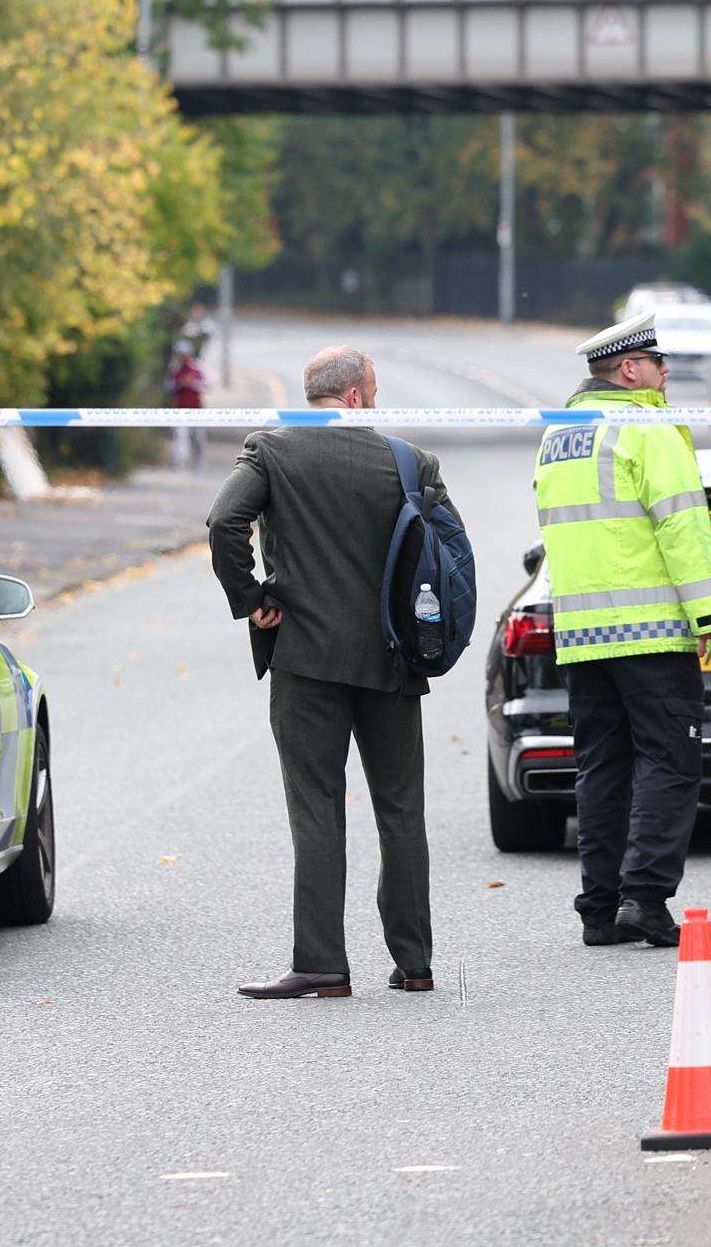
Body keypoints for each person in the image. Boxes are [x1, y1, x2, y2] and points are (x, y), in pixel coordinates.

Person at [206, 346, 458, 999]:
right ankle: (415, 961)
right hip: (394, 659)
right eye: (373, 390)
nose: (376, 401)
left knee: (316, 807)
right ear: (352, 398)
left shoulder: (274, 452)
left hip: (306, 662)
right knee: (401, 809)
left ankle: (321, 963)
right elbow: (451, 553)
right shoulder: (408, 463)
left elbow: (224, 522)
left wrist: (254, 600)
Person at [533, 312, 711, 949]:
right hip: (649, 630)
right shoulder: (645, 424)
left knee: (601, 766)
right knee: (670, 761)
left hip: (583, 631)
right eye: (657, 362)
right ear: (629, 369)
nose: (666, 371)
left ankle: (599, 908)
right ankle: (643, 899)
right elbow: (682, 526)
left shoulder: (561, 432)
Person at [166, 340, 208, 470]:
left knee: (197, 437)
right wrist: (180, 384)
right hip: (180, 409)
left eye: (184, 353)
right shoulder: (175, 370)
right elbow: (169, 387)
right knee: (180, 437)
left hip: (196, 408)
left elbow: (207, 384)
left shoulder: (197, 368)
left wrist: (193, 384)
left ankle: (198, 462)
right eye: (180, 353)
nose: (182, 356)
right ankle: (179, 463)